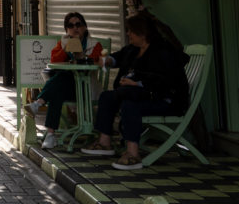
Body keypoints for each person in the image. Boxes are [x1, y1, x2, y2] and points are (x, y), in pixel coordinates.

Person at [81, 13, 190, 170]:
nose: (128, 34)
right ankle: (104, 142)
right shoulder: (134, 49)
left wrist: (137, 83)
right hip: (141, 96)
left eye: (131, 30)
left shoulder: (163, 51)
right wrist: (107, 60)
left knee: (129, 105)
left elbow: (165, 81)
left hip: (164, 100)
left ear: (143, 33)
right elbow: (118, 57)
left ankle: (133, 154)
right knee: (107, 97)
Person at [24, 12, 104, 149]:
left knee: (59, 83)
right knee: (58, 88)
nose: (75, 28)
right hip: (70, 89)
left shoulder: (94, 45)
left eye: (78, 24)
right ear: (66, 29)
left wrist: (81, 55)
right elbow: (54, 61)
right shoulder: (64, 42)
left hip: (87, 88)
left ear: (85, 27)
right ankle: (50, 134)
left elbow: (95, 63)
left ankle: (40, 106)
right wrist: (66, 48)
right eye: (70, 25)